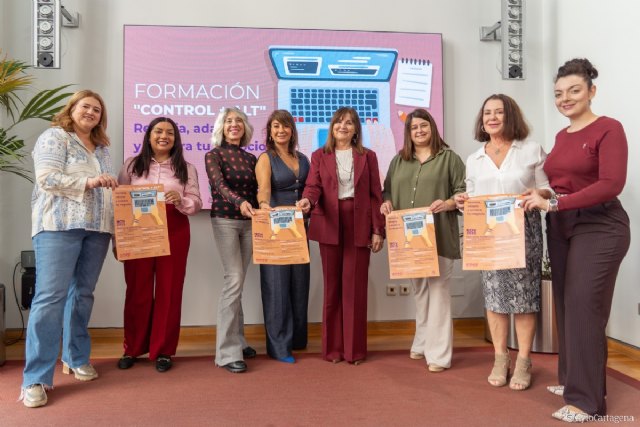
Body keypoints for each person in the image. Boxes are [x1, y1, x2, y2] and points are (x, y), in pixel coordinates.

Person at [522, 59, 629, 421]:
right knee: (567, 305)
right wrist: (544, 192)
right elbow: (563, 184)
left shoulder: (609, 128)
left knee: (584, 306)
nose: (565, 99)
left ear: (591, 91)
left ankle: (587, 402)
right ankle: (573, 380)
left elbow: (611, 184)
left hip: (600, 226)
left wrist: (556, 202)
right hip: (562, 224)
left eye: (574, 91)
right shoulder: (562, 136)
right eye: (558, 93)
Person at [20, 90, 117, 408]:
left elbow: (109, 191)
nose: (91, 112)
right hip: (58, 226)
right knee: (50, 298)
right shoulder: (54, 136)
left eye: (97, 109)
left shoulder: (102, 148)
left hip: (97, 230)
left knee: (83, 295)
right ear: (72, 109)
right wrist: (89, 183)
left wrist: (119, 232)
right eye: (85, 106)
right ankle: (35, 378)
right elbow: (46, 178)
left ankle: (75, 357)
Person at [454, 94, 552, 390]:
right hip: (488, 235)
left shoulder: (531, 149)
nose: (492, 118)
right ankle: (500, 357)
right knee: (494, 297)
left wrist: (537, 195)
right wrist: (463, 202)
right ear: (482, 120)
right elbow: (472, 197)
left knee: (524, 299)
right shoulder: (474, 158)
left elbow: (548, 189)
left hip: (523, 232)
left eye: (499, 112)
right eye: (487, 113)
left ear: (511, 116)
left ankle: (523, 360)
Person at [380, 108, 465, 373]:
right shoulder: (399, 160)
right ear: (408, 132)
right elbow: (387, 190)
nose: (419, 131)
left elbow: (463, 192)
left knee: (438, 293)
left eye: (423, 126)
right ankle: (422, 341)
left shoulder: (449, 158)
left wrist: (448, 203)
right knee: (420, 292)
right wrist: (386, 203)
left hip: (440, 236)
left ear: (432, 128)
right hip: (409, 241)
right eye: (414, 127)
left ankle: (439, 355)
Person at [298, 107, 385, 365]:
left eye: (349, 123)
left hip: (359, 223)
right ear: (332, 126)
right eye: (338, 122)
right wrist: (307, 200)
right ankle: (333, 349)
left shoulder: (368, 156)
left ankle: (354, 351)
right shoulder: (319, 155)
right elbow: (313, 186)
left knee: (355, 288)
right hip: (329, 223)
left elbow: (375, 195)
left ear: (356, 129)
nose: (343, 126)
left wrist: (377, 229)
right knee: (332, 288)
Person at [117, 117, 202, 373]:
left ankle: (163, 350)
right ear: (149, 135)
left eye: (170, 133)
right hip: (137, 230)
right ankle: (132, 348)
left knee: (169, 290)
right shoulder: (131, 164)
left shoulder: (187, 168)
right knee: (137, 290)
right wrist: (117, 240)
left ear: (176, 139)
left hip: (174, 229)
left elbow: (196, 202)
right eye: (158, 131)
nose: (164, 136)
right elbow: (119, 201)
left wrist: (181, 200)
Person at [205, 107, 258, 374]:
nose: (234, 124)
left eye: (239, 120)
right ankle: (226, 353)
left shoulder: (251, 158)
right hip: (225, 220)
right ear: (221, 127)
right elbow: (219, 186)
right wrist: (240, 202)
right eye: (228, 121)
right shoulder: (213, 155)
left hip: (250, 223)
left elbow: (259, 190)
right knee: (234, 279)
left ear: (245, 127)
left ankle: (239, 340)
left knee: (239, 281)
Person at [255, 110, 310, 364]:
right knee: (276, 287)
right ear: (270, 131)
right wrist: (264, 205)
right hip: (274, 229)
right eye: (276, 126)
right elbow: (264, 189)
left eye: (285, 126)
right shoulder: (266, 158)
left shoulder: (303, 159)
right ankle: (279, 347)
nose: (281, 131)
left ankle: (297, 340)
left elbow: (310, 190)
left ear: (292, 130)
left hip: (299, 230)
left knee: (299, 284)